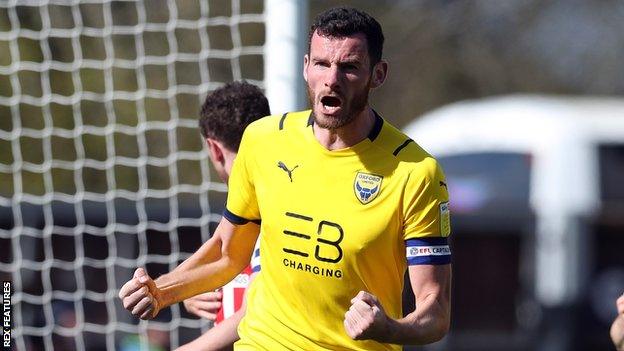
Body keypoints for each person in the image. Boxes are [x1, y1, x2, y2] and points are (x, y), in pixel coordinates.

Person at [119, 7, 452, 350]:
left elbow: (435, 311)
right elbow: (227, 252)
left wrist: (388, 328)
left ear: (377, 74)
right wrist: (161, 292)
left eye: (349, 67)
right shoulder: (263, 139)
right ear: (306, 66)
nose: (332, 79)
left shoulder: (415, 172)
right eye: (322, 64)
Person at [180, 81, 270, 350]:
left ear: (214, 149)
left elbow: (259, 308)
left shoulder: (273, 205)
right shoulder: (239, 209)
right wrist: (191, 292)